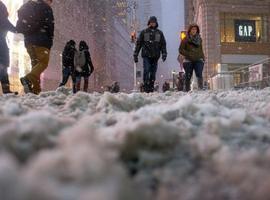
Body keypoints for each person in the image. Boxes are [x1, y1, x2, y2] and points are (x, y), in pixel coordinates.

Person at [17, 0, 54, 95]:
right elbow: (50, 26)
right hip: (41, 41)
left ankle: (36, 90)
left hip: (29, 42)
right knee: (43, 63)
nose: (51, 3)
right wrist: (50, 41)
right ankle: (28, 79)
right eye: (50, 1)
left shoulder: (28, 6)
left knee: (35, 65)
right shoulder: (46, 8)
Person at [134, 16, 167, 93]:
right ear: (149, 23)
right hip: (146, 56)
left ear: (156, 23)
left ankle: (151, 86)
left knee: (153, 72)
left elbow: (163, 44)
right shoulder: (144, 32)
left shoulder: (159, 33)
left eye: (154, 22)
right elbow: (139, 44)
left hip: (155, 56)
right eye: (151, 22)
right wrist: (135, 54)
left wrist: (164, 54)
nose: (152, 23)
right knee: (146, 70)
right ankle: (146, 87)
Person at [179, 24, 205, 92]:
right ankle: (187, 90)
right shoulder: (185, 39)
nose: (194, 30)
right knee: (188, 76)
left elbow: (201, 49)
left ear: (197, 30)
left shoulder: (199, 39)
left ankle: (201, 89)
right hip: (188, 60)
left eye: (195, 29)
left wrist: (203, 58)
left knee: (199, 74)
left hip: (198, 59)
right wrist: (188, 54)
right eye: (192, 29)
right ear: (190, 30)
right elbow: (181, 49)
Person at [0, 1, 17, 94]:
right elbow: (14, 29)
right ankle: (6, 90)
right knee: (3, 67)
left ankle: (6, 90)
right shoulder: (3, 19)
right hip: (1, 45)